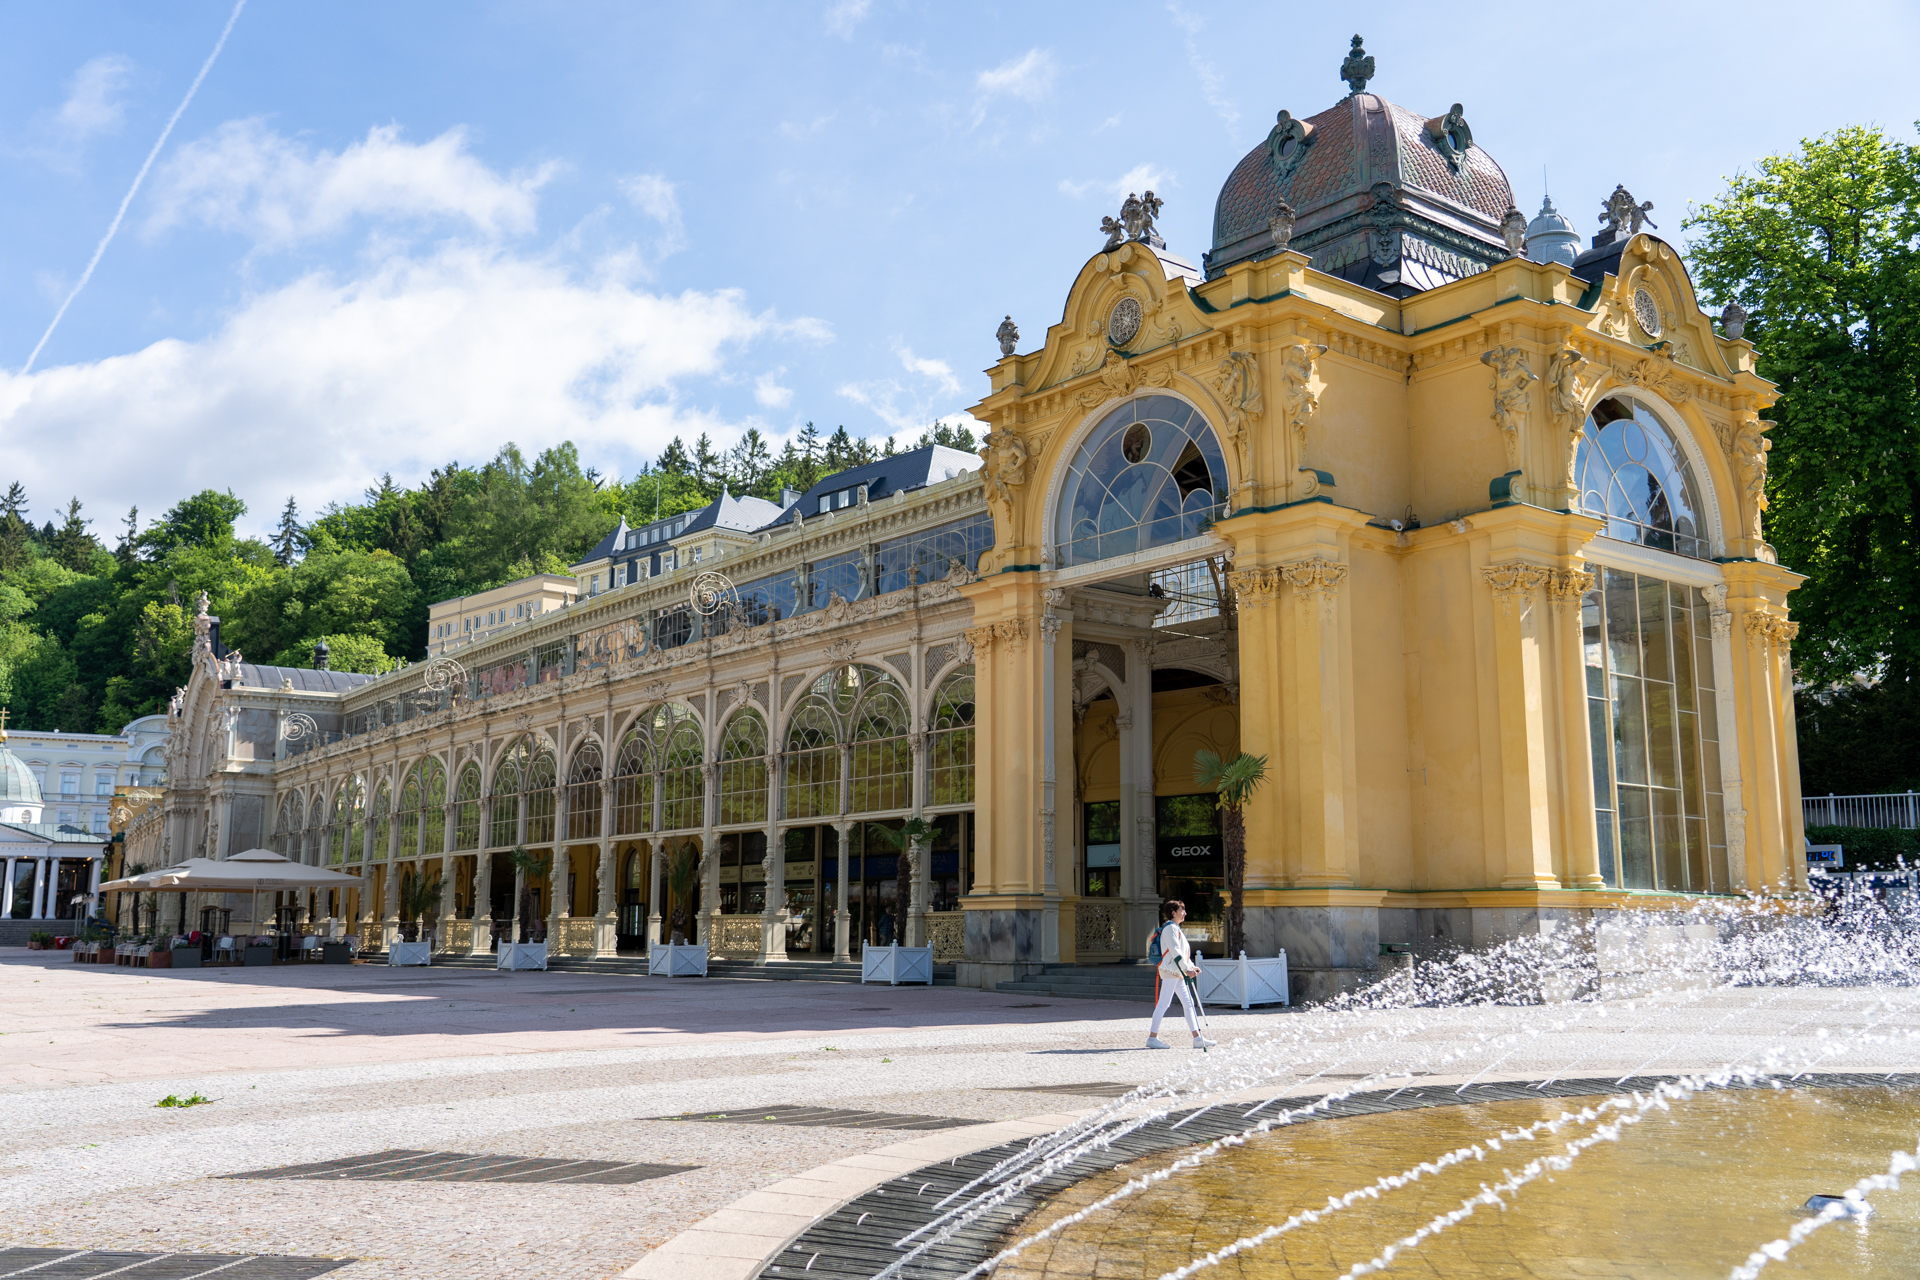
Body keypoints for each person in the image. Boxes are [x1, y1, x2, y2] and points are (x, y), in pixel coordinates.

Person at [1147, 900, 1216, 1050]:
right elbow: (1175, 952)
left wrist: (1191, 966)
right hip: (1172, 971)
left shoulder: (1175, 928)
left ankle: (1197, 1038)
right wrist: (1187, 969)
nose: (1184, 913)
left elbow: (1182, 953)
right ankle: (1152, 1038)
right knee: (1164, 1004)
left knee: (1189, 1003)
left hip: (1176, 971)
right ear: (1173, 913)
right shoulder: (1170, 929)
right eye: (1181, 910)